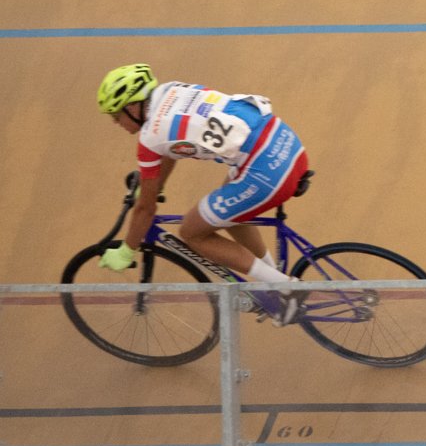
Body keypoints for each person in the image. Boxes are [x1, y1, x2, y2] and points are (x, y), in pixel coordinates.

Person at [95, 63, 309, 322]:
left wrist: (128, 249)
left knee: (192, 232)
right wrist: (152, 185)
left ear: (132, 107)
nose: (116, 123)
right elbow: (170, 150)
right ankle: (275, 281)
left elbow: (145, 209)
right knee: (225, 209)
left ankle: (285, 286)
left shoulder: (149, 138)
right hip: (285, 143)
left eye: (116, 116)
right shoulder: (171, 90)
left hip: (266, 171)